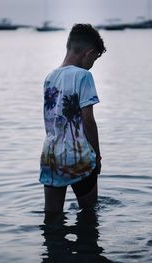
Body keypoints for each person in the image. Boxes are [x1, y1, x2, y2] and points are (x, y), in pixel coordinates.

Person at [39, 23, 106, 214]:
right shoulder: (84, 76)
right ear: (88, 53)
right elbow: (88, 120)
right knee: (89, 215)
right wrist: (98, 156)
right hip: (79, 157)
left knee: (52, 217)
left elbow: (51, 119)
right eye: (95, 58)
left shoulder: (50, 77)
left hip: (51, 156)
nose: (93, 63)